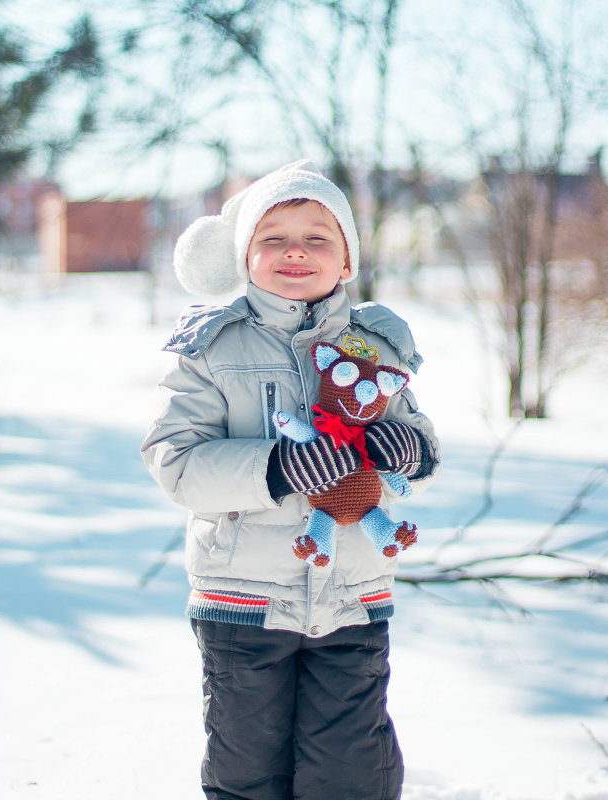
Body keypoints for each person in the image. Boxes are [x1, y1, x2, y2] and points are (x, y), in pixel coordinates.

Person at [141, 160, 440, 800]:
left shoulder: (376, 346)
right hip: (243, 602)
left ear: (348, 260)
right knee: (248, 772)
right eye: (272, 238)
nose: (295, 251)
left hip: (354, 597)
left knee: (352, 774)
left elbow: (424, 443)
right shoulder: (211, 348)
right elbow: (176, 460)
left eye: (318, 237)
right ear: (244, 255)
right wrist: (276, 467)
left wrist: (405, 447)